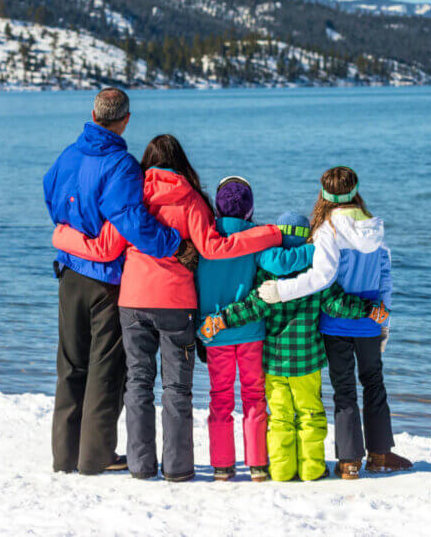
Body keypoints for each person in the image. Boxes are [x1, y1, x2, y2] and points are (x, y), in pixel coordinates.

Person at [52, 135, 282, 482]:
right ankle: (177, 468)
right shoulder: (191, 200)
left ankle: (141, 465)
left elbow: (105, 248)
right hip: (176, 304)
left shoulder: (130, 197)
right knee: (176, 389)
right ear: (181, 162)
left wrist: (61, 235)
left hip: (133, 301)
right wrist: (271, 234)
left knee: (138, 384)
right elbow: (214, 248)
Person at [42, 88, 190, 475]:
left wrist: (74, 234)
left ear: (93, 114)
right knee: (105, 369)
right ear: (125, 120)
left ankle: (65, 456)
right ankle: (95, 457)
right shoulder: (121, 165)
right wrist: (175, 244)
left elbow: (50, 197)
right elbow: (133, 222)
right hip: (105, 281)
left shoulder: (67, 156)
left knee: (71, 366)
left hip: (69, 275)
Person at [199, 211, 390, 482]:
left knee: (280, 417)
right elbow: (336, 303)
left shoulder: (267, 271)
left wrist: (222, 319)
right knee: (310, 414)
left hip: (274, 362)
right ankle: (312, 469)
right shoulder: (317, 270)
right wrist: (369, 309)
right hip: (307, 360)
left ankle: (281, 470)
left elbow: (253, 307)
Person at [256, 167, 412, 479]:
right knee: (374, 383)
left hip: (335, 320)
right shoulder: (373, 227)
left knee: (344, 388)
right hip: (369, 318)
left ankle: (349, 461)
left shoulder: (327, 230)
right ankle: (380, 454)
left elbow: (321, 278)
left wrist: (281, 291)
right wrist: (385, 321)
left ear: (324, 194)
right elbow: (385, 277)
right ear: (355, 190)